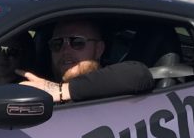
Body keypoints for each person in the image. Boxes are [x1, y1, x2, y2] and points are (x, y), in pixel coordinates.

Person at [17, 18, 154, 103]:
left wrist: (60, 91)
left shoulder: (115, 87)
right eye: (57, 44)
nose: (65, 50)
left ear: (99, 49)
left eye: (77, 42)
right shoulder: (40, 88)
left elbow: (138, 74)